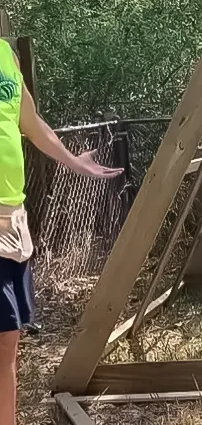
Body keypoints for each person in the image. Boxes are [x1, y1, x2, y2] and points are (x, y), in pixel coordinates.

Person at [0, 38, 123, 424]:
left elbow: (30, 122)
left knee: (7, 342)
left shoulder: (5, 55)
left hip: (11, 219)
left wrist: (72, 161)